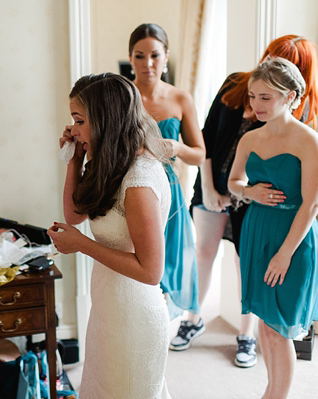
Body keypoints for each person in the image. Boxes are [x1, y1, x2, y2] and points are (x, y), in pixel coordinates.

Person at [172, 35, 318, 368]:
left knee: (246, 262)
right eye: (275, 58)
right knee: (204, 251)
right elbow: (206, 137)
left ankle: (246, 334)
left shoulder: (301, 115)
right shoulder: (239, 85)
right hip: (220, 184)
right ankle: (193, 318)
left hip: (259, 205)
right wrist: (211, 188)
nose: (278, 67)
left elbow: (306, 191)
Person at [48, 73, 172, 398]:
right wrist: (73, 161)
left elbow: (150, 271)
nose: (72, 129)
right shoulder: (110, 163)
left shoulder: (139, 179)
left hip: (133, 317)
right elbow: (74, 214)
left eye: (79, 120)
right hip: (108, 307)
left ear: (105, 120)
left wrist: (82, 245)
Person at [228, 57, 318, 398]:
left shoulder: (309, 141)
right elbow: (234, 182)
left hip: (292, 239)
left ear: (291, 95)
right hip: (256, 231)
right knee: (266, 327)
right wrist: (249, 191)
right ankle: (272, 391)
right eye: (252, 96)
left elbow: (311, 204)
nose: (255, 104)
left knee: (279, 329)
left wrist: (283, 255)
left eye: (265, 97)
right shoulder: (250, 139)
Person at [129, 23, 205, 319]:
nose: (148, 64)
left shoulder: (180, 98)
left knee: (167, 269)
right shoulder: (124, 95)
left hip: (169, 193)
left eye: (155, 55)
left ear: (166, 56)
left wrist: (176, 148)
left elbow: (199, 154)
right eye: (139, 56)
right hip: (132, 189)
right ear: (130, 57)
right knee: (139, 269)